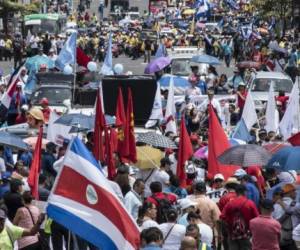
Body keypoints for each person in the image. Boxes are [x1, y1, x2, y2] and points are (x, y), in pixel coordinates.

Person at [220, 184, 259, 250]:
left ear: (236, 192)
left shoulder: (229, 204)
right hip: (247, 235)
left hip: (232, 234)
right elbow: (257, 219)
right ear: (244, 192)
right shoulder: (250, 203)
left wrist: (228, 228)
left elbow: (222, 218)